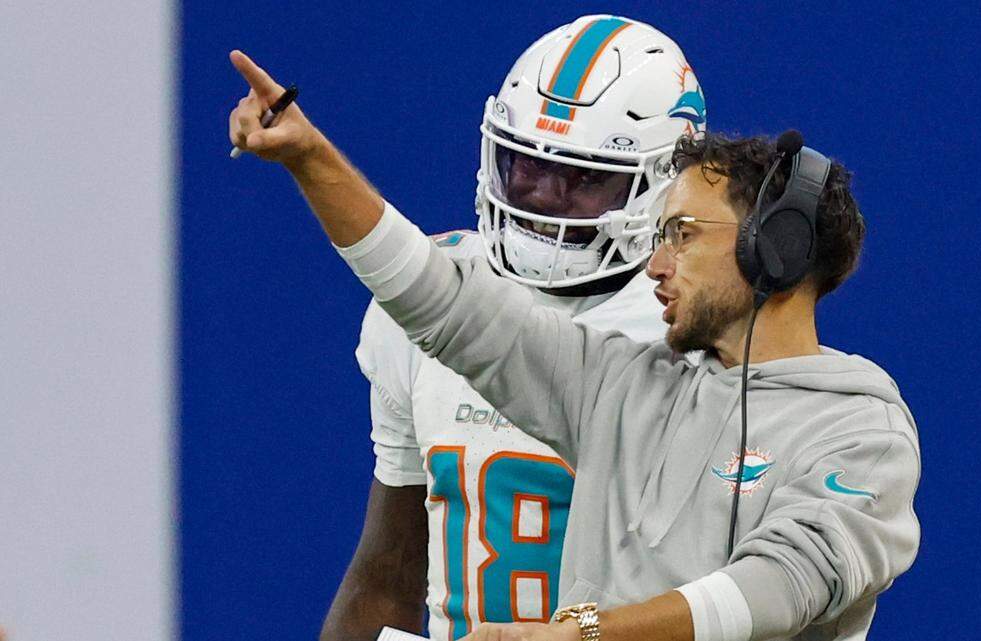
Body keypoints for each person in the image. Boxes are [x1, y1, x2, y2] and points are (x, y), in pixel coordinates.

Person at [227, 45, 920, 641]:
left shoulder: (862, 426)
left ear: (774, 250)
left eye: (681, 234)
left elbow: (784, 582)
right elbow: (441, 301)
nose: (655, 261)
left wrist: (588, 630)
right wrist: (310, 158)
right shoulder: (622, 386)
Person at [234, 16, 707, 641]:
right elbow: (390, 572)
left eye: (585, 177)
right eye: (528, 165)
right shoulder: (436, 297)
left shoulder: (701, 333)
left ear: (663, 187)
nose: (543, 197)